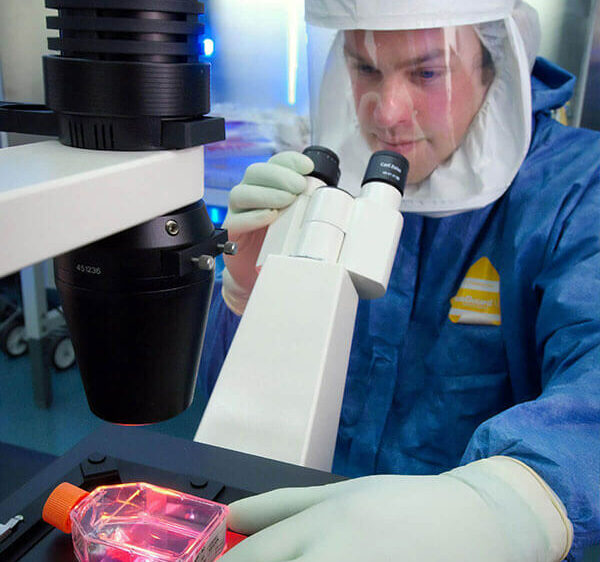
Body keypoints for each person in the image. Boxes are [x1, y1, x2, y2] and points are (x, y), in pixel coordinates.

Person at [197, 1, 600, 560]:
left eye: (427, 72)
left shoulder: (575, 190)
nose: (386, 113)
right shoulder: (331, 181)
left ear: (495, 60)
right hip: (298, 520)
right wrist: (247, 298)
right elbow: (231, 418)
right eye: (365, 67)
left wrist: (510, 501)